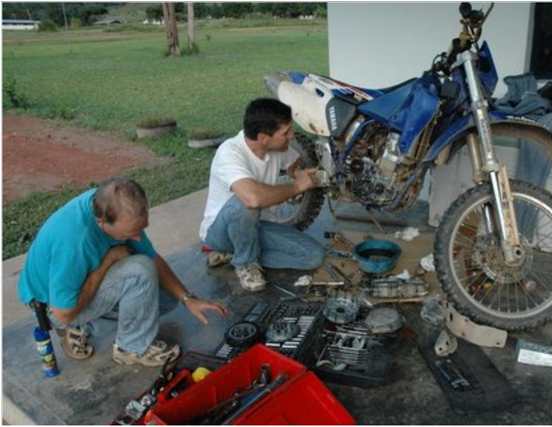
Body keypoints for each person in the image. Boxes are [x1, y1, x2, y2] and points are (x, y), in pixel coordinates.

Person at [18, 177, 229, 367]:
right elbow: (63, 312)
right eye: (131, 233)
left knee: (164, 299)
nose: (137, 238)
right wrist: (109, 260)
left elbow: (153, 258)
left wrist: (187, 298)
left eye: (141, 229)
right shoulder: (75, 242)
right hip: (53, 308)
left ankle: (87, 324)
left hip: (75, 288)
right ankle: (131, 348)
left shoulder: (112, 206)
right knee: (139, 270)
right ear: (102, 222)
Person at [199, 98, 326, 291]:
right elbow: (253, 199)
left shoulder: (277, 147)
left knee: (314, 256)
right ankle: (245, 264)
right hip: (220, 232)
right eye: (285, 133)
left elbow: (294, 162)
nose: (291, 136)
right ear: (264, 137)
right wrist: (296, 187)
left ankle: (236, 253)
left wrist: (297, 173)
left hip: (258, 226)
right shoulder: (229, 153)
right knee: (245, 204)